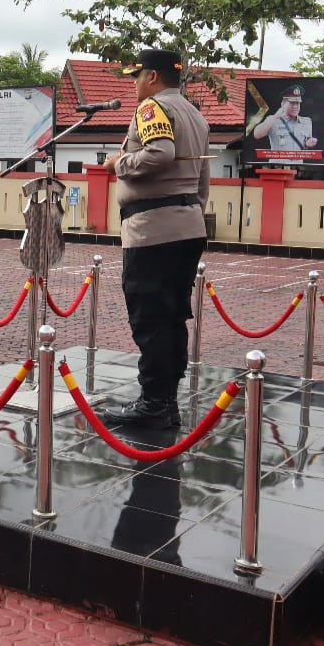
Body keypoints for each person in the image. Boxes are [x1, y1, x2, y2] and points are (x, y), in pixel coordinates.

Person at [101, 48, 210, 429]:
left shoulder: (151, 109)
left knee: (151, 319)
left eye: (136, 76)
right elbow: (202, 179)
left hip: (153, 232)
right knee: (172, 317)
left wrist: (118, 164)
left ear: (151, 77)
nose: (133, 84)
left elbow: (159, 154)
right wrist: (192, 213)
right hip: (187, 226)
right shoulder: (195, 113)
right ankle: (165, 400)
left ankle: (154, 403)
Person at [254, 84, 318, 151]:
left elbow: (305, 142)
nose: (295, 106)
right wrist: (275, 116)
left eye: (297, 103)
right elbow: (257, 135)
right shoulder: (273, 120)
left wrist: (308, 143)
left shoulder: (306, 121)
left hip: (298, 161)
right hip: (277, 161)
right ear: (283, 104)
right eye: (292, 103)